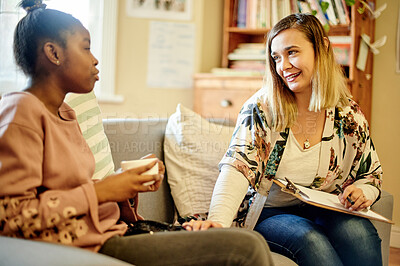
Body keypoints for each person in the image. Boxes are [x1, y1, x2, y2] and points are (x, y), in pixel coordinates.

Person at [0, 1, 274, 265]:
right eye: (86, 48)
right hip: (91, 244)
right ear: (54, 53)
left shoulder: (65, 113)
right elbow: (9, 217)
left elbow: (74, 190)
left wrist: (124, 186)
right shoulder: (21, 111)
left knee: (245, 239)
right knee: (245, 248)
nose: (95, 60)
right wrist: (102, 191)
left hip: (114, 231)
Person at [184, 13, 383, 266]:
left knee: (360, 235)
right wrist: (219, 223)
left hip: (326, 207)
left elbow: (371, 173)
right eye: (276, 57)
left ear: (321, 47)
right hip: (270, 212)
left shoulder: (347, 113)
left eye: (292, 52)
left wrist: (363, 190)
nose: (283, 66)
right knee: (310, 240)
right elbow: (237, 167)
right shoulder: (261, 108)